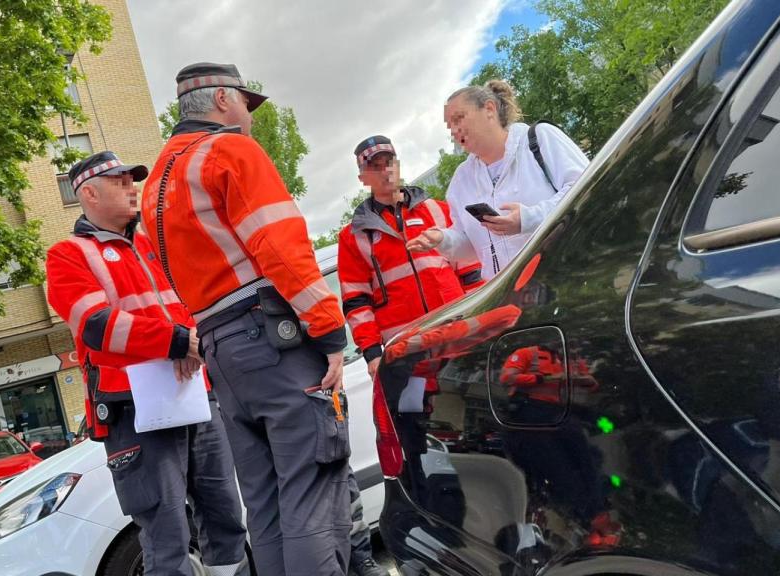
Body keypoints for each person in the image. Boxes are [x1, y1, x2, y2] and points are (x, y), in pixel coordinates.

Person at [140, 62, 352, 576]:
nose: (249, 118)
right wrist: (328, 330)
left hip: (222, 348)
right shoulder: (230, 150)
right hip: (275, 338)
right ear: (220, 101)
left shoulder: (153, 188)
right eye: (243, 104)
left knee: (267, 502)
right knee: (312, 488)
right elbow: (281, 248)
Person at [45, 152, 247, 575]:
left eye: (132, 180)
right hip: (133, 410)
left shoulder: (153, 244)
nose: (132, 187)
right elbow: (96, 327)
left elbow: (195, 301)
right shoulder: (68, 255)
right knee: (165, 529)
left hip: (193, 393)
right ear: (89, 193)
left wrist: (190, 343)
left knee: (225, 513)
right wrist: (177, 342)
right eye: (120, 181)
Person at [407, 79, 589, 281]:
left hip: (572, 277)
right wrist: (443, 239)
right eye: (450, 127)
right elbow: (472, 247)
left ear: (489, 109)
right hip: (514, 299)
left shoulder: (539, 138)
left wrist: (528, 219)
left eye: (459, 119)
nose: (454, 131)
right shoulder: (461, 181)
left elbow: (587, 190)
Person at [338, 134, 484, 380]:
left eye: (389, 161)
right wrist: (373, 354)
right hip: (407, 349)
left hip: (459, 333)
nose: (385, 170)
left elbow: (471, 270)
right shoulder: (354, 236)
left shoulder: (438, 210)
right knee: (424, 414)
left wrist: (482, 319)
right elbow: (356, 302)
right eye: (374, 166)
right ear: (363, 178)